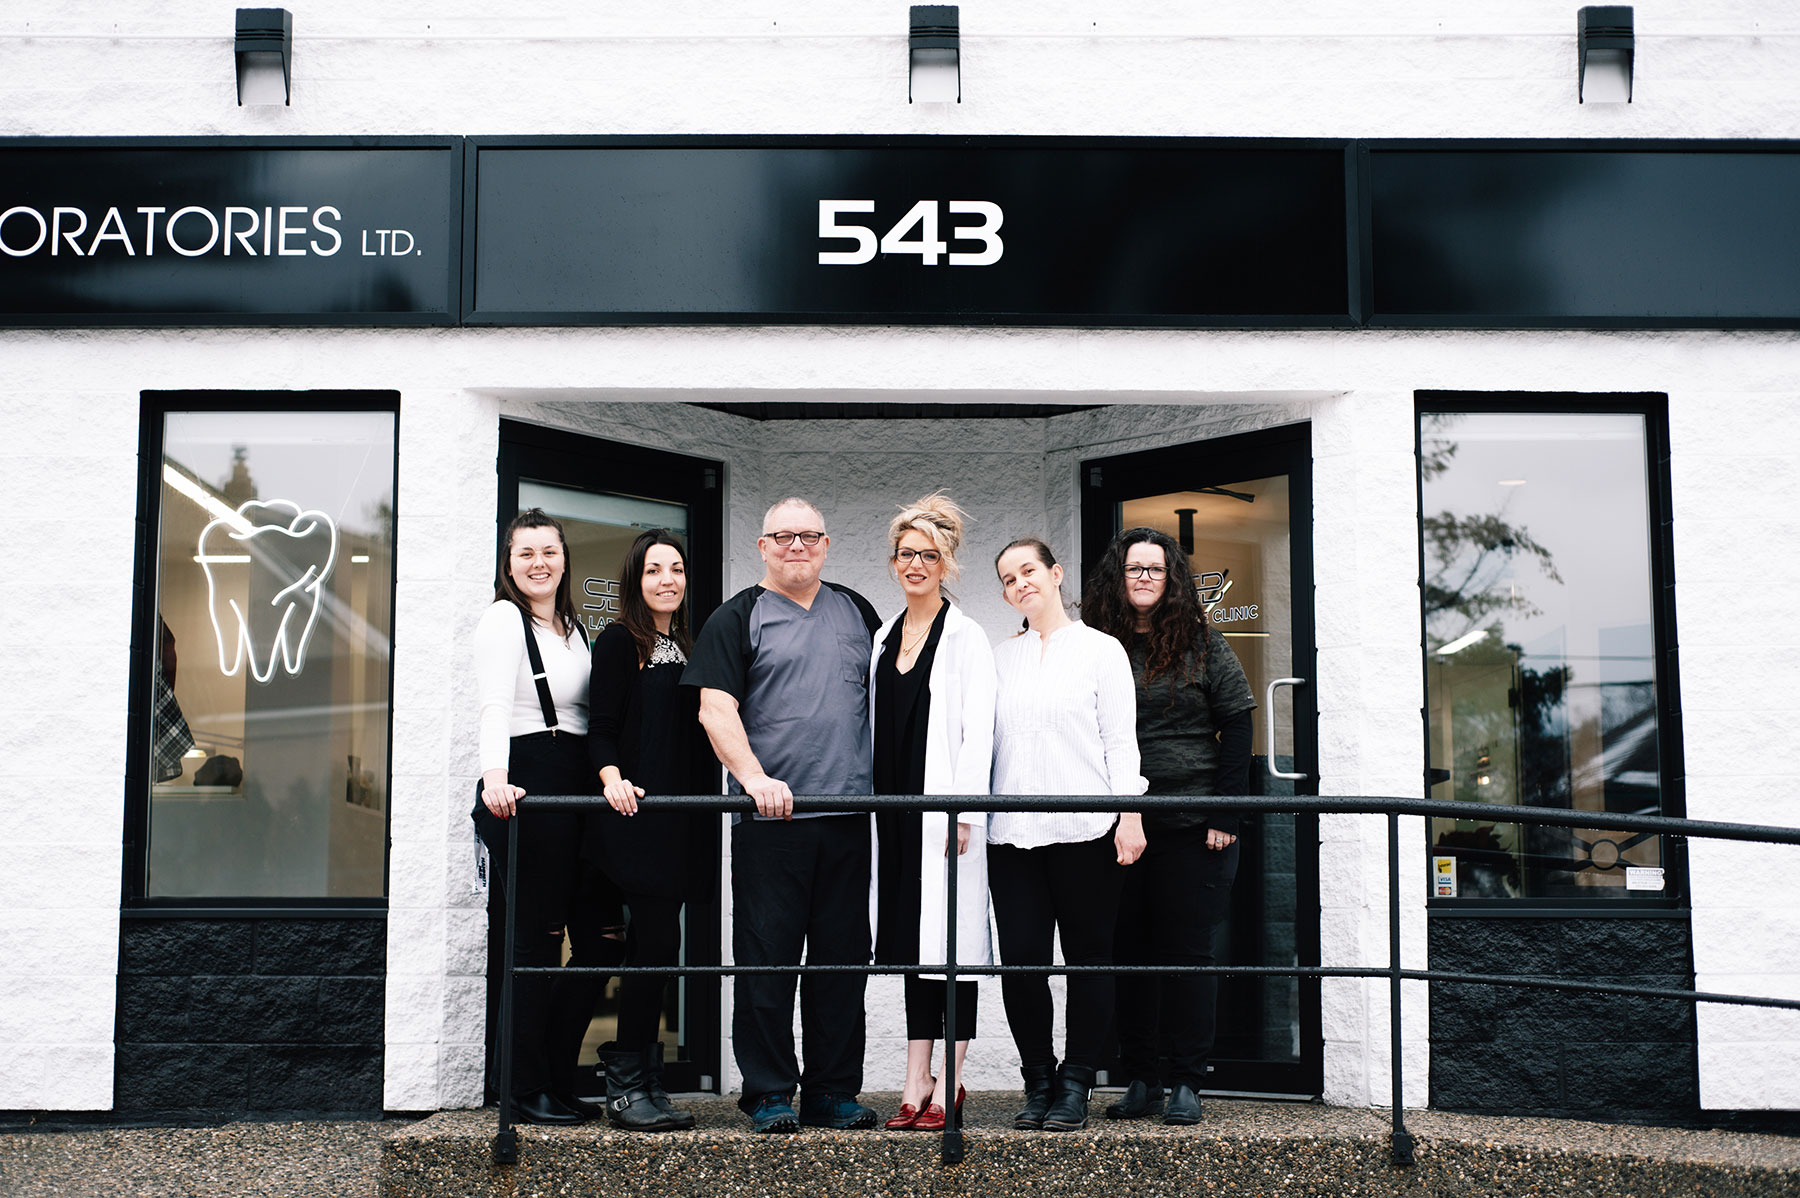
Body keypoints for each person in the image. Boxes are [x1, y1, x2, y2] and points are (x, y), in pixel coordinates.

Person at [682, 497, 883, 1134]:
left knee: (841, 965)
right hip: (773, 823)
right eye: (783, 536)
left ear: (826, 545)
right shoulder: (736, 616)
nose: (797, 546)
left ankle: (831, 1093)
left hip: (850, 819)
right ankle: (770, 1093)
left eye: (810, 536)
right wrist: (754, 779)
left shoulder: (858, 611)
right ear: (763, 546)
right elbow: (715, 710)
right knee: (767, 963)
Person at [1081, 526, 1256, 1126]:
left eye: (1155, 569)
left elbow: (1237, 723)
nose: (1145, 578)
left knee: (1186, 955)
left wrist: (1227, 812)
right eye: (1134, 569)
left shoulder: (1204, 641)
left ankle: (1186, 1079)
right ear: (1118, 576)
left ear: (1172, 577)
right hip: (1118, 828)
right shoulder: (1096, 643)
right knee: (1128, 954)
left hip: (1192, 826)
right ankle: (1141, 1077)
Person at [987, 537, 1146, 1132]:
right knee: (1022, 964)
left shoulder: (1102, 652)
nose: (1020, 583)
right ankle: (1038, 1080)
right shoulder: (1000, 658)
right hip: (1013, 837)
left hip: (1086, 831)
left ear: (1055, 574)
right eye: (1008, 578)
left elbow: (1119, 742)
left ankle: (1077, 1081)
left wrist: (1129, 816)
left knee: (1088, 960)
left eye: (1028, 570)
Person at [868, 494, 996, 1132]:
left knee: (952, 943)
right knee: (912, 942)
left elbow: (980, 733)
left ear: (947, 563)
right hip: (893, 817)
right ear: (893, 562)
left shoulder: (967, 637)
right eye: (905, 554)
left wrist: (964, 811)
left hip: (944, 815)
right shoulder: (885, 636)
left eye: (928, 554)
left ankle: (952, 1078)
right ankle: (915, 1077)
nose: (915, 564)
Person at [471, 508, 598, 1126]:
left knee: (593, 940)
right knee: (534, 943)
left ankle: (553, 1073)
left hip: (574, 782)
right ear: (510, 562)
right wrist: (496, 778)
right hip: (528, 779)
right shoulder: (504, 619)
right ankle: (521, 1088)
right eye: (526, 553)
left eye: (549, 551)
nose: (539, 563)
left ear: (564, 558)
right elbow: (495, 704)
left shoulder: (573, 628)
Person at [587, 529, 717, 1131]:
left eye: (676, 569)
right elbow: (602, 724)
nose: (667, 579)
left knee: (657, 947)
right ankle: (625, 1083)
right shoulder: (619, 641)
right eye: (653, 570)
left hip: (682, 820)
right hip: (636, 815)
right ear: (635, 580)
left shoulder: (688, 644)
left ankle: (646, 1079)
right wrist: (611, 777)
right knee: (657, 942)